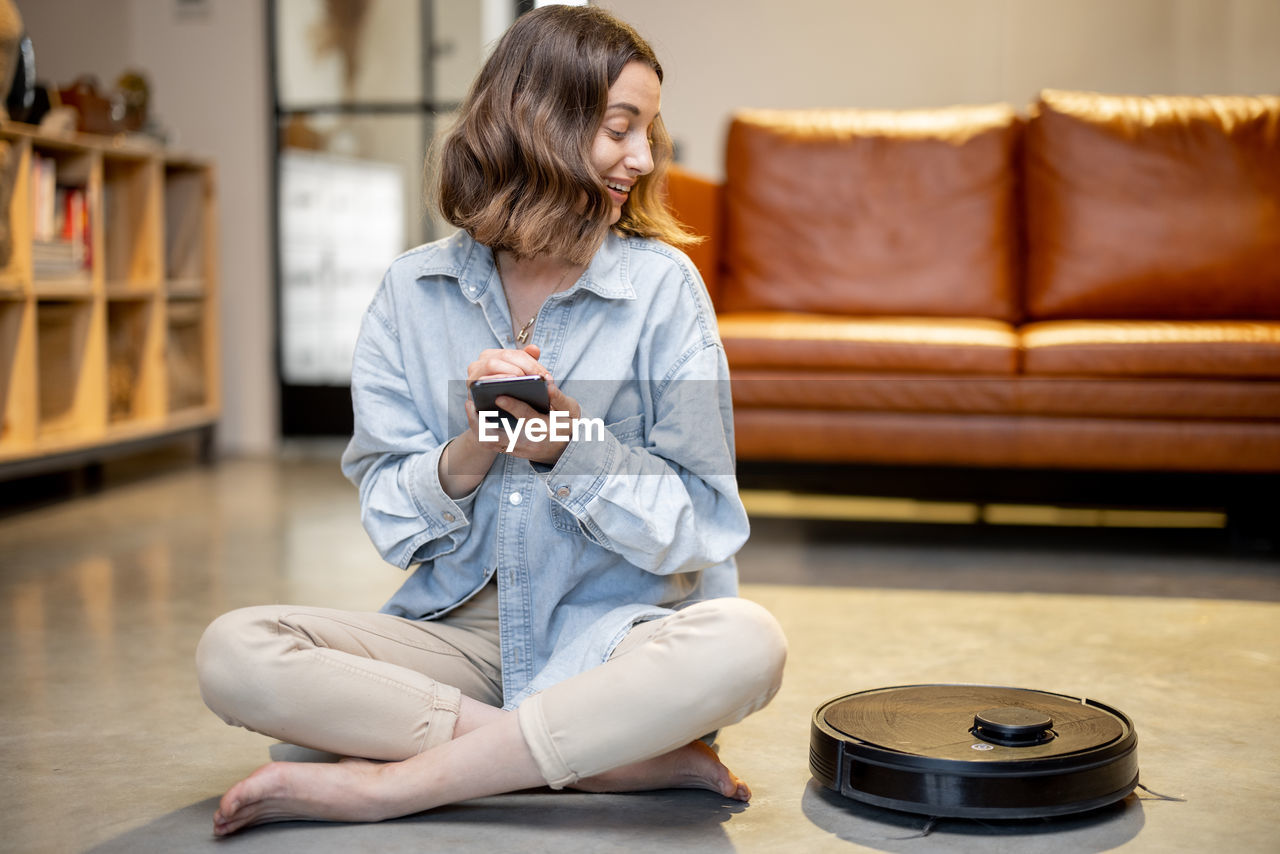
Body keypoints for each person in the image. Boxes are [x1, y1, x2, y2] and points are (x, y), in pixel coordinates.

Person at [195, 5, 786, 836]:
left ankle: (388, 785)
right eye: (621, 129)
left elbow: (703, 527)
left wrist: (571, 449)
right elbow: (389, 518)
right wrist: (471, 450)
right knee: (236, 652)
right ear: (540, 121)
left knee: (746, 641)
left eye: (649, 131)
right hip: (461, 639)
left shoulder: (666, 290)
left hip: (620, 636)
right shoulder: (411, 295)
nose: (644, 159)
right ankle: (601, 764)